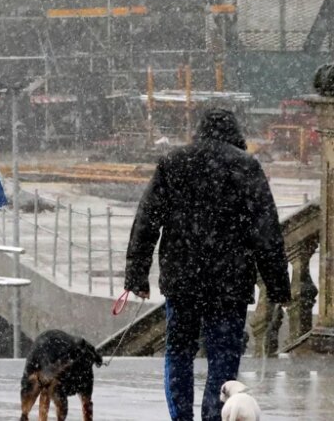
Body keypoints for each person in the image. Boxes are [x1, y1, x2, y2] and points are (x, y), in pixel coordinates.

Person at [124, 108, 291, 421]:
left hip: (183, 279)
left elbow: (146, 221)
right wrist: (278, 283)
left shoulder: (173, 163)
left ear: (198, 131)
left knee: (179, 351)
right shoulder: (246, 167)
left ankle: (181, 417)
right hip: (230, 282)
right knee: (224, 357)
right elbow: (266, 232)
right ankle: (215, 415)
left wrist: (136, 274)